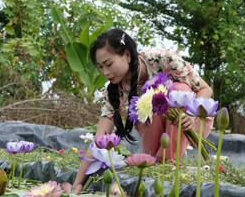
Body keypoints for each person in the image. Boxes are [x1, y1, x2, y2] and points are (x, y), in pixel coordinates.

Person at [72, 28, 214, 192]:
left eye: (109, 64)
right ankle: (162, 166)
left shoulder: (162, 59)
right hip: (154, 133)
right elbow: (99, 140)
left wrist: (191, 114)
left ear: (126, 55)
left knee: (178, 90)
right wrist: (77, 184)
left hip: (190, 122)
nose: (105, 72)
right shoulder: (114, 91)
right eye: (101, 67)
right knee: (148, 102)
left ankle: (169, 164)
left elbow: (205, 89)